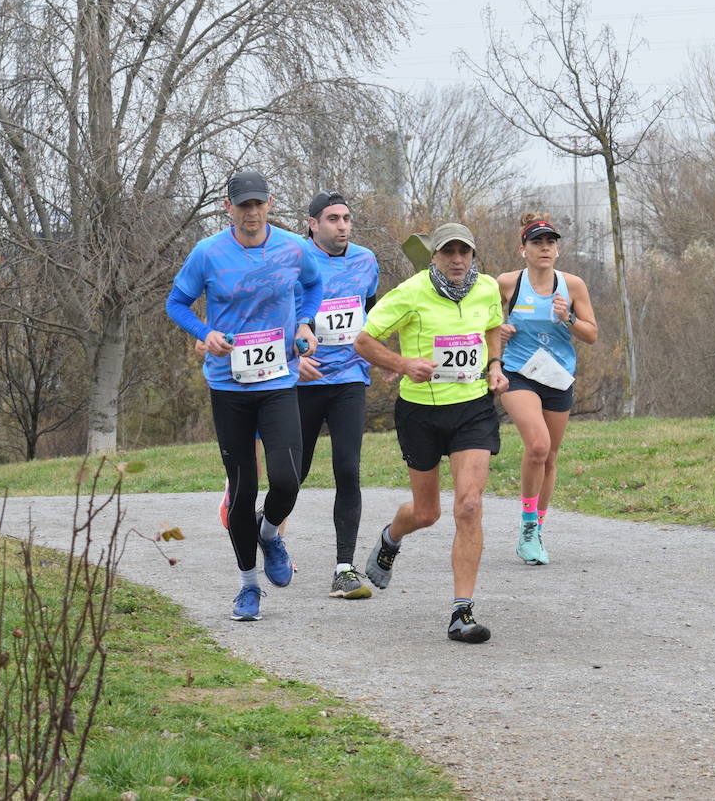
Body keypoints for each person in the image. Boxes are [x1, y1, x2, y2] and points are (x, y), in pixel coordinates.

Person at [165, 170, 322, 622]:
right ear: (228, 208)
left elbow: (312, 286)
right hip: (229, 385)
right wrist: (206, 332)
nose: (251, 213)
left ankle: (270, 534)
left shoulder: (293, 247)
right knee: (242, 489)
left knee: (288, 479)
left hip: (278, 381)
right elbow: (175, 303)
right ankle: (248, 587)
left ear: (270, 203)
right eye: (243, 205)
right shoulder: (208, 253)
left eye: (258, 204)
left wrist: (306, 322)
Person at [354, 223, 507, 643]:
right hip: (420, 413)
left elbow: (493, 324)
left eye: (465, 252)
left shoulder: (488, 288)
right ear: (435, 256)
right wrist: (402, 365)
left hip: (472, 409)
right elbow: (363, 341)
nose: (458, 260)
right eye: (448, 253)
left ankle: (462, 613)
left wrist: (495, 365)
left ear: (473, 255)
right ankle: (391, 537)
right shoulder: (411, 292)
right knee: (427, 513)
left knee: (469, 505)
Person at [497, 213, 598, 566]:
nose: (544, 248)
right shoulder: (507, 283)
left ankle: (537, 528)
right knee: (537, 446)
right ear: (522, 248)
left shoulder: (573, 285)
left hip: (557, 377)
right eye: (537, 242)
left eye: (550, 242)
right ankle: (526, 528)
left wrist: (568, 317)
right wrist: (500, 330)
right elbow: (483, 324)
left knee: (550, 457)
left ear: (557, 249)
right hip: (519, 373)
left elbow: (591, 334)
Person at [296, 190, 380, 600]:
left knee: (348, 469)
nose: (343, 225)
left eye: (346, 218)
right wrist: (292, 358)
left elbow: (370, 307)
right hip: (303, 380)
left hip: (348, 378)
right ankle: (266, 528)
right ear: (313, 223)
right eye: (333, 219)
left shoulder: (366, 260)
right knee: (291, 475)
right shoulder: (294, 258)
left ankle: (344, 567)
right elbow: (274, 312)